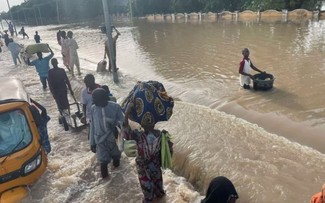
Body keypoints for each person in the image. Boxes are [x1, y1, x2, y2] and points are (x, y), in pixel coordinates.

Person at [123, 101, 173, 203]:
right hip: (147, 166)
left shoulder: (159, 135)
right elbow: (126, 134)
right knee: (152, 191)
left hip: (151, 166)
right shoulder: (144, 135)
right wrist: (127, 113)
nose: (149, 123)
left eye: (149, 122)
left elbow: (169, 151)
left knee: (155, 191)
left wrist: (127, 112)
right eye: (147, 122)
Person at [89, 88, 124, 179]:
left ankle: (118, 177)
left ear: (104, 99)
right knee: (103, 162)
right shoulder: (93, 109)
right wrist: (92, 143)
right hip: (100, 140)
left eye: (95, 100)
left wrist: (115, 125)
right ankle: (107, 183)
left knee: (116, 157)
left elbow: (122, 122)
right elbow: (92, 126)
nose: (94, 102)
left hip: (113, 139)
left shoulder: (115, 107)